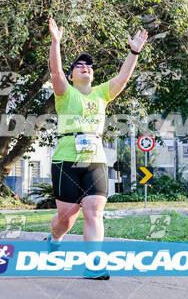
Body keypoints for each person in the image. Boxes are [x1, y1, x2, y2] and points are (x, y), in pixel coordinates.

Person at [47, 18, 147, 279]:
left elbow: (123, 77)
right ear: (72, 75)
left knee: (94, 211)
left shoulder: (101, 93)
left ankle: (93, 265)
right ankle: (54, 239)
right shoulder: (65, 93)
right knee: (66, 218)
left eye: (88, 65)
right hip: (66, 161)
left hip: (95, 160)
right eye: (79, 65)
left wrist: (134, 51)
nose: (85, 68)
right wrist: (55, 42)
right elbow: (56, 74)